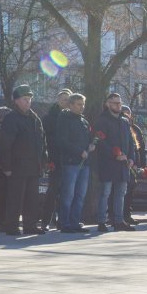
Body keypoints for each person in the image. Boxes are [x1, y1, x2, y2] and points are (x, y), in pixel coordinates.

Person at [0, 85, 46, 236]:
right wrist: (6, 166)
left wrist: (43, 162)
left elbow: (42, 142)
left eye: (29, 99)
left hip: (33, 165)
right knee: (15, 198)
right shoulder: (11, 119)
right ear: (17, 101)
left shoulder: (35, 118)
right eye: (24, 99)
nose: (28, 102)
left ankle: (30, 225)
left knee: (32, 198)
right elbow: (5, 145)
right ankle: (11, 226)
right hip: (17, 166)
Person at [93, 93, 137, 232]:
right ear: (108, 104)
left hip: (123, 164)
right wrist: (114, 154)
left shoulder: (124, 121)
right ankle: (101, 221)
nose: (118, 106)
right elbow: (100, 142)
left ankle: (119, 221)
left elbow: (131, 142)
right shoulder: (102, 120)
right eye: (115, 103)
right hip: (107, 163)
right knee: (105, 192)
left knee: (121, 193)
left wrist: (131, 158)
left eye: (119, 103)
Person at [55, 93, 93, 233]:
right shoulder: (64, 119)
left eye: (83, 104)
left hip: (84, 163)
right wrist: (79, 151)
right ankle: (64, 223)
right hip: (71, 163)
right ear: (70, 105)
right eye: (78, 104)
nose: (82, 107)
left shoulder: (84, 121)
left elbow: (87, 139)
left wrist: (90, 146)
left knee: (80, 194)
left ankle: (75, 222)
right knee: (68, 194)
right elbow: (62, 141)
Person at [40, 89, 72, 229]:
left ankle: (63, 220)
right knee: (53, 190)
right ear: (58, 101)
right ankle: (46, 221)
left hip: (69, 159)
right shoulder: (49, 118)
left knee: (67, 191)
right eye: (64, 99)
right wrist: (48, 158)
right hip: (55, 158)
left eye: (68, 100)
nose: (66, 102)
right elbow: (45, 139)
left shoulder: (72, 117)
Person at [121, 105, 147, 225]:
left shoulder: (135, 129)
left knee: (131, 190)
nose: (127, 115)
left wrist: (141, 164)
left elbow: (140, 148)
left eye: (129, 113)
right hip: (123, 164)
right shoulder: (120, 126)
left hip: (134, 165)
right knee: (121, 191)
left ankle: (127, 214)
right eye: (125, 113)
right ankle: (118, 215)